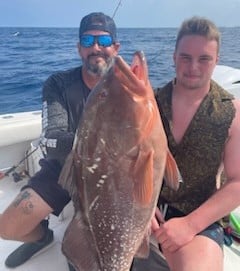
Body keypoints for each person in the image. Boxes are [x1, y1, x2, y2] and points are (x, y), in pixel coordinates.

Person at [0, 12, 120, 269]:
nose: (95, 47)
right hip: (62, 167)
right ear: (78, 48)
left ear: (116, 47)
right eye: (87, 41)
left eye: (103, 40)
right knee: (7, 227)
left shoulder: (129, 86)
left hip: (114, 173)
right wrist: (92, 143)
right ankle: (41, 238)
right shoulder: (59, 83)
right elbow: (51, 139)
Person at [131, 16, 240, 271]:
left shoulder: (232, 112)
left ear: (217, 60)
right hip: (144, 210)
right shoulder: (150, 103)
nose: (193, 67)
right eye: (185, 57)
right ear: (174, 57)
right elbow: (127, 164)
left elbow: (237, 182)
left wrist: (189, 225)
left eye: (204, 59)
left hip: (198, 218)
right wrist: (140, 211)